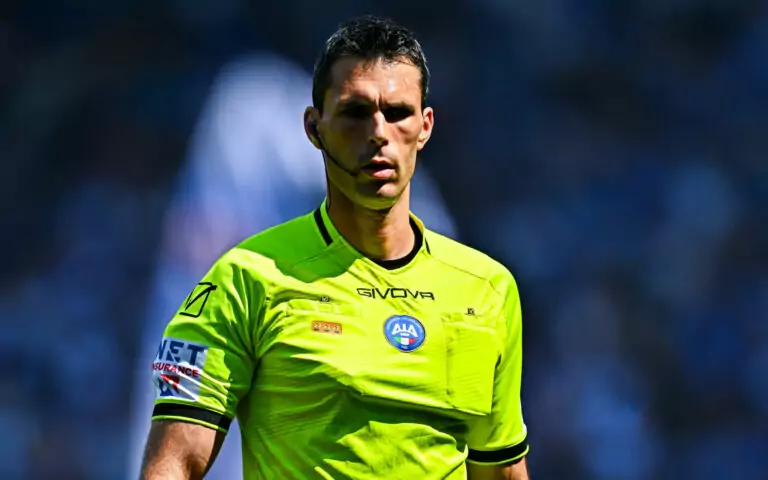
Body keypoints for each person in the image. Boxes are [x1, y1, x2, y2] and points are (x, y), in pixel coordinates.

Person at [139, 15, 530, 480]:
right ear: (314, 127)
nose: (378, 132)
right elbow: (176, 461)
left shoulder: (486, 290)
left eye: (398, 113)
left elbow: (503, 471)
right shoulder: (244, 280)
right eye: (355, 113)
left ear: (425, 126)